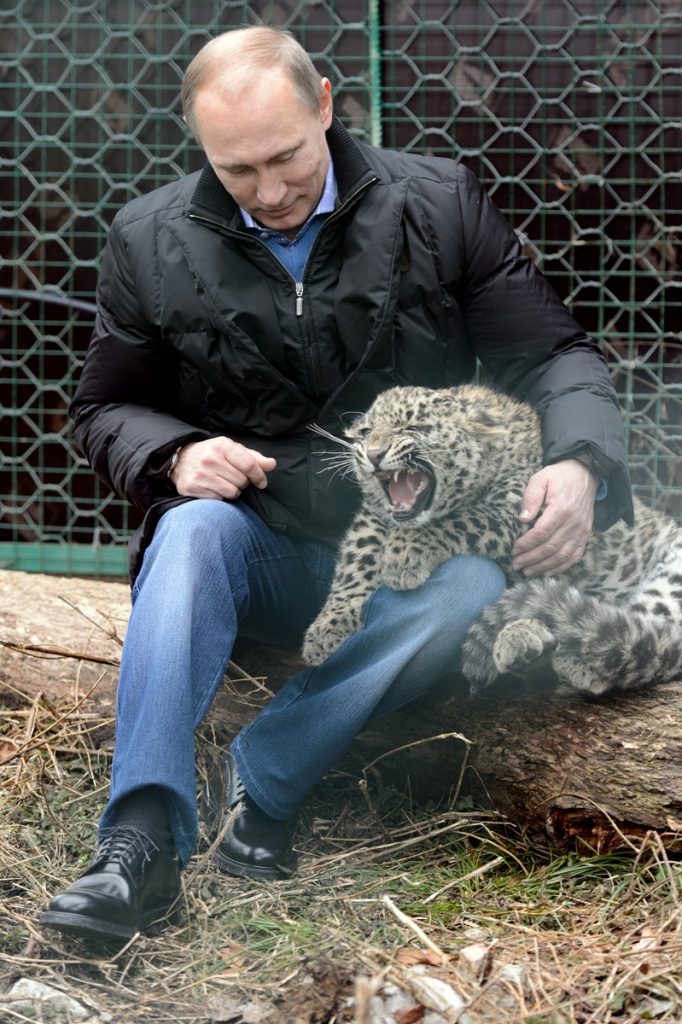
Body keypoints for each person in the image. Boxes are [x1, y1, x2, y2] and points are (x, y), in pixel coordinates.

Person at [40, 26, 632, 944]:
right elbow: (105, 409)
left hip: (417, 546)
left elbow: (552, 352)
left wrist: (579, 461)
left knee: (474, 586)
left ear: (324, 103)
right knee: (191, 528)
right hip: (263, 547)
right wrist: (174, 455)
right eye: (238, 171)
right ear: (199, 147)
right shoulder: (148, 239)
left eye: (285, 158)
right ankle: (139, 844)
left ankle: (267, 776)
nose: (270, 192)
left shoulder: (438, 202)